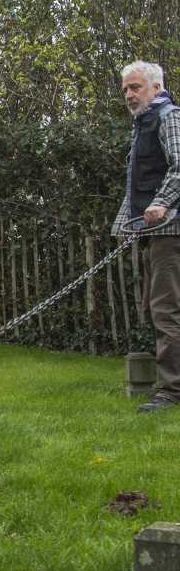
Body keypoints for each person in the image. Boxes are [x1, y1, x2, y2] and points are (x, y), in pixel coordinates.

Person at [112, 61, 180, 412]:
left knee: (165, 310)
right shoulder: (144, 125)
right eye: (125, 89)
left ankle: (172, 391)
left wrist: (162, 202)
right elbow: (136, 183)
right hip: (157, 231)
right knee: (160, 308)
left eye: (135, 87)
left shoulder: (167, 117)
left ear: (156, 87)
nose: (128, 94)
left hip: (171, 230)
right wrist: (124, 224)